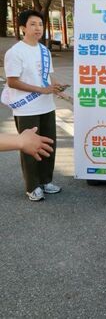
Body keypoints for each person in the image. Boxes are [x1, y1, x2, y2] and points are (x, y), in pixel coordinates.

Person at [3, 10, 63, 201]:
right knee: (29, 146)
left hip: (47, 105)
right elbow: (12, 82)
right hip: (26, 108)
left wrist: (55, 86)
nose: (38, 28)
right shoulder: (15, 52)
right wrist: (39, 89)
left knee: (48, 144)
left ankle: (46, 180)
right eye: (33, 24)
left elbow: (48, 75)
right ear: (22, 28)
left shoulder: (44, 50)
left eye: (40, 24)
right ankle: (32, 186)